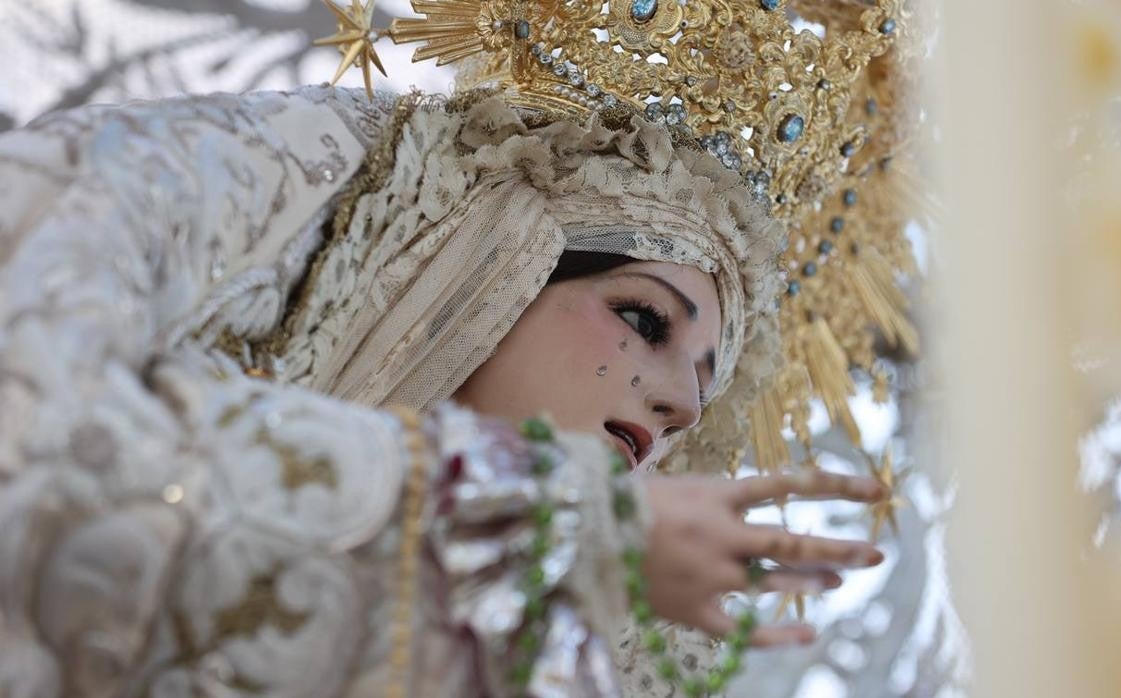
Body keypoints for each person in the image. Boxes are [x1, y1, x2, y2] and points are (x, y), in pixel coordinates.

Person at [0, 1, 907, 695]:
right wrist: (532, 526)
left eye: (707, 384)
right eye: (642, 319)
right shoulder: (263, 197)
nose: (683, 406)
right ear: (495, 268)